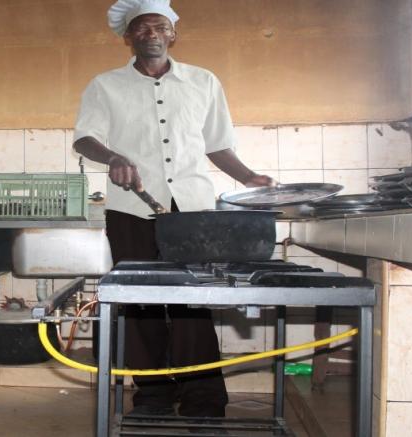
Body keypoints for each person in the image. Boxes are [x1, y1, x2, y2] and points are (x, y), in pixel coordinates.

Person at [72, 0, 277, 418]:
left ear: (172, 34)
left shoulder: (203, 81)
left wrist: (249, 178)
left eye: (159, 26)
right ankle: (152, 395)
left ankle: (202, 397)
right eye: (141, 28)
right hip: (131, 209)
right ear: (128, 38)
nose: (150, 33)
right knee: (140, 303)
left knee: (193, 302)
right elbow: (84, 138)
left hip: (192, 213)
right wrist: (112, 158)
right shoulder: (104, 85)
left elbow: (219, 145)